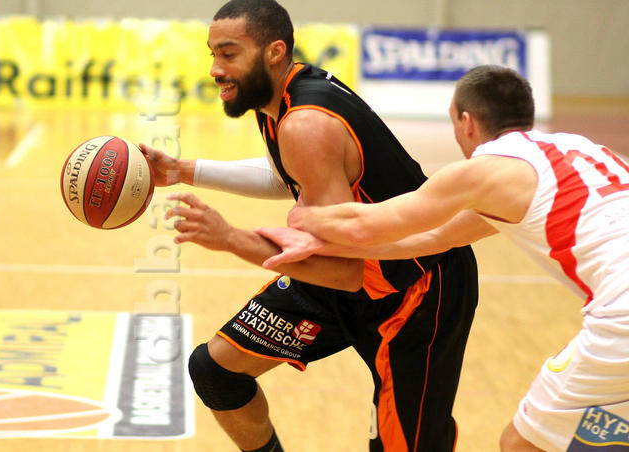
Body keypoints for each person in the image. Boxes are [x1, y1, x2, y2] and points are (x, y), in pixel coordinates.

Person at [141, 1, 479, 451]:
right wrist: (184, 170)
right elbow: (287, 176)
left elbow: (345, 271)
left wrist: (230, 238)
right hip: (346, 271)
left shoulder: (306, 122)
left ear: (274, 51)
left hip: (414, 288)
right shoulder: (275, 98)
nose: (216, 69)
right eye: (213, 54)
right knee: (216, 370)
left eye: (229, 53)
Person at [257, 64, 629, 451]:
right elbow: (438, 238)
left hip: (620, 318)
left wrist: (306, 219)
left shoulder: (485, 170)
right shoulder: (579, 149)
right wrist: (325, 246)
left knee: (522, 444)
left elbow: (372, 223)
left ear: (466, 122)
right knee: (595, 434)